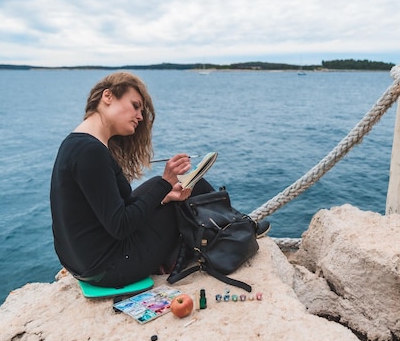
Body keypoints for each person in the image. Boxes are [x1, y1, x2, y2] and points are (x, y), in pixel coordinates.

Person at [50, 71, 268, 288]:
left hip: (85, 265)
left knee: (169, 186)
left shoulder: (77, 143)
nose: (140, 116)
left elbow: (113, 213)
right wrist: (166, 183)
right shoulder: (92, 152)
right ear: (108, 96)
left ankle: (232, 226)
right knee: (184, 186)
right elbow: (120, 225)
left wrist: (164, 195)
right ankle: (238, 229)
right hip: (111, 267)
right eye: (135, 105)